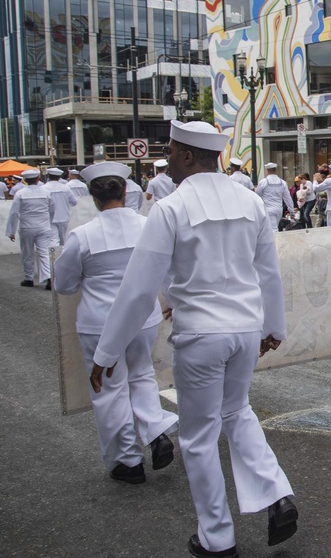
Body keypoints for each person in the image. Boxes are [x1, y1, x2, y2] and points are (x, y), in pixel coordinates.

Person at [89, 120, 297, 557]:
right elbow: (268, 273)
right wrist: (273, 327)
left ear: (186, 156)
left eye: (170, 151)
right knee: (237, 412)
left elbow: (138, 288)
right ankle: (277, 494)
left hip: (201, 333)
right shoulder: (250, 200)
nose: (167, 161)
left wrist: (107, 350)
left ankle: (217, 538)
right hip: (244, 331)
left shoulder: (171, 207)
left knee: (200, 438)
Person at [53, 161, 179, 485]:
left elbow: (64, 285)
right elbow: (165, 270)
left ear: (93, 198)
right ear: (126, 192)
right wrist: (169, 301)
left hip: (100, 322)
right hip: (144, 316)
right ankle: (156, 431)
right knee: (141, 375)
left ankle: (127, 460)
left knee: (109, 390)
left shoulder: (82, 236)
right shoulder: (146, 225)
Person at [6, 168, 54, 288]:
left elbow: (14, 213)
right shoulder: (46, 192)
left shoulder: (20, 193)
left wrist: (11, 231)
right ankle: (49, 278)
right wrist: (49, 222)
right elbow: (52, 210)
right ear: (38, 179)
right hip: (44, 226)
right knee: (44, 252)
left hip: (27, 226)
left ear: (25, 180)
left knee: (27, 253)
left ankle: (29, 278)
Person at [256, 163, 295, 232]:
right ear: (275, 170)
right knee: (274, 226)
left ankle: (274, 242)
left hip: (268, 209)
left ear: (267, 171)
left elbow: (257, 196)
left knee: (273, 229)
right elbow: (287, 198)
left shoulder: (263, 182)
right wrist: (292, 211)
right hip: (279, 209)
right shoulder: (282, 183)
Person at [44, 167, 78, 245]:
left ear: (48, 176)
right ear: (59, 177)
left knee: (53, 240)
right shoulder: (66, 188)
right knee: (63, 240)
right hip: (64, 217)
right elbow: (74, 202)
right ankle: (62, 255)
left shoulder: (43, 188)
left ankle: (54, 256)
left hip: (50, 218)